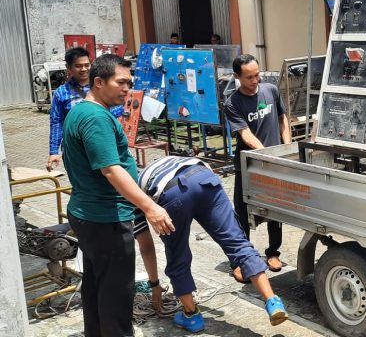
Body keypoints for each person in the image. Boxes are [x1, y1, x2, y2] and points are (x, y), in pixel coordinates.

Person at [62, 54, 175, 337]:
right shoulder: (95, 118)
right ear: (99, 82)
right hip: (105, 218)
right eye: (121, 82)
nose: (127, 89)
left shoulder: (82, 110)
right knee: (116, 298)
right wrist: (150, 207)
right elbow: (111, 170)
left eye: (130, 83)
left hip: (89, 215)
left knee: (97, 287)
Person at [133, 156, 288, 332]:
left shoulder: (132, 193)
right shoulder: (164, 162)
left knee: (177, 254)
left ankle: (191, 316)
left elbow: (146, 247)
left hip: (171, 192)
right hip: (204, 176)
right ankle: (272, 301)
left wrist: (154, 285)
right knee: (237, 243)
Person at [224, 54, 291, 282]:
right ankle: (243, 259)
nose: (255, 80)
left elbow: (282, 119)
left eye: (257, 75)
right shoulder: (232, 103)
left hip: (274, 162)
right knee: (242, 212)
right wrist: (264, 153)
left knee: (274, 209)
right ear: (237, 77)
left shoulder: (270, 90)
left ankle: (273, 252)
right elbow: (245, 133)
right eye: (249, 77)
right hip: (248, 164)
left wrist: (286, 147)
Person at [46, 47, 123, 171]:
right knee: (83, 182)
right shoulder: (61, 93)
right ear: (69, 68)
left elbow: (119, 109)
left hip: (104, 145)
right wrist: (54, 151)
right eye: (78, 66)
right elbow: (57, 122)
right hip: (75, 151)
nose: (84, 69)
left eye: (87, 65)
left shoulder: (103, 86)